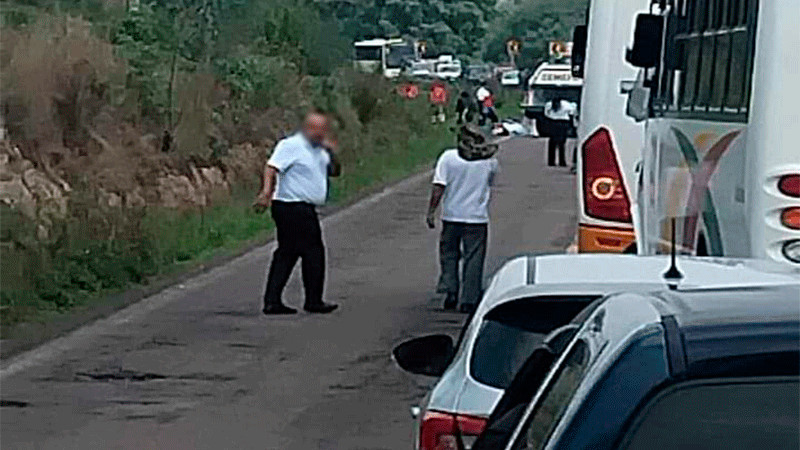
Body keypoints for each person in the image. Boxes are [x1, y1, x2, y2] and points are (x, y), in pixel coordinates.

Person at [253, 110, 341, 315]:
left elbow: (335, 172)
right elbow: (271, 167)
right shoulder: (291, 145)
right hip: (291, 205)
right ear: (307, 128)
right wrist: (266, 192)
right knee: (313, 252)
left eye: (323, 129)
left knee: (287, 253)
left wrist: (331, 152)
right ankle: (313, 300)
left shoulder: (320, 150)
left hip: (303, 206)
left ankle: (273, 300)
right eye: (316, 129)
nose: (320, 133)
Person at [426, 125, 500, 313]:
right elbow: (489, 184)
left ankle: (450, 290)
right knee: (473, 258)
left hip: (452, 216)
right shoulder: (490, 162)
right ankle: (469, 299)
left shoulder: (448, 157)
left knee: (449, 254)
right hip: (476, 218)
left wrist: (431, 211)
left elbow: (438, 187)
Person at [543, 97, 577, 167]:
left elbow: (572, 112)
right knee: (554, 142)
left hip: (561, 122)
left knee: (561, 143)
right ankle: (553, 161)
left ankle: (560, 161)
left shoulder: (566, 105)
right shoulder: (549, 105)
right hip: (555, 122)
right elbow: (546, 113)